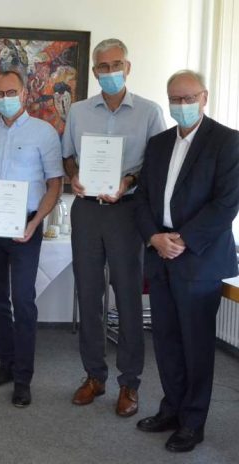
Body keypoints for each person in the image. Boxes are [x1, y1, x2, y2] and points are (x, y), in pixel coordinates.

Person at [134, 70, 239, 452]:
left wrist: (183, 240)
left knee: (195, 346)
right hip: (160, 252)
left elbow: (226, 203)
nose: (182, 105)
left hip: (198, 258)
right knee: (165, 341)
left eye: (188, 98)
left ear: (204, 97)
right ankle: (172, 410)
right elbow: (142, 198)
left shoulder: (227, 141)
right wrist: (154, 237)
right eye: (175, 99)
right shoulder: (159, 143)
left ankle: (193, 423)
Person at [62, 38, 165, 416]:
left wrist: (128, 181)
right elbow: (68, 156)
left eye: (116, 65)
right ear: (94, 72)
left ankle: (129, 383)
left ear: (128, 67)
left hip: (127, 211)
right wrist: (74, 177)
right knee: (88, 296)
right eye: (103, 67)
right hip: (87, 210)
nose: (109, 72)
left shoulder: (150, 113)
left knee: (127, 297)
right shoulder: (78, 111)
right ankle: (94, 376)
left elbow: (157, 164)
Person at [0, 69, 63, 407]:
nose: (5, 99)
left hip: (27, 222)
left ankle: (23, 378)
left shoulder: (44, 132)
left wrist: (36, 222)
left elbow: (55, 184)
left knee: (23, 300)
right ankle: (6, 364)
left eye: (11, 92)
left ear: (24, 94)